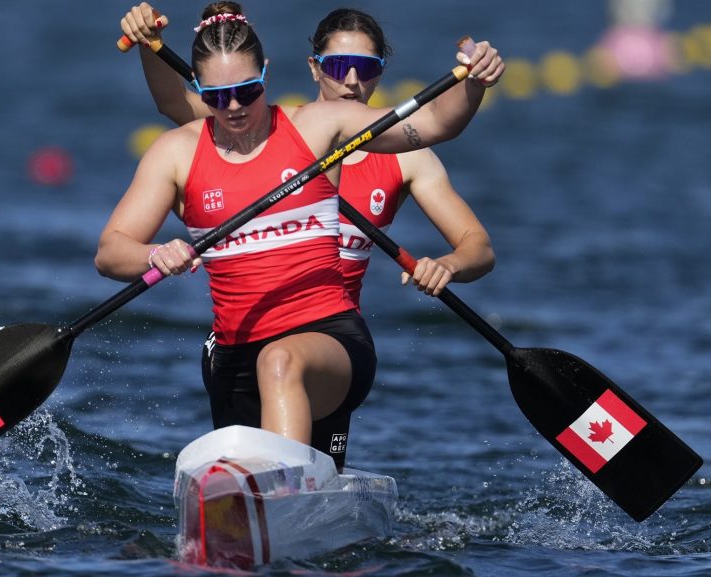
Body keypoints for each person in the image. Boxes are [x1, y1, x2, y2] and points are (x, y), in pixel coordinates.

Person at [98, 3, 495, 469]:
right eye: (216, 97)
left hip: (329, 337)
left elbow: (436, 124)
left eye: (247, 91)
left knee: (280, 362)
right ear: (201, 92)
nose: (233, 108)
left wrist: (474, 80)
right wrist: (154, 254)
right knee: (245, 472)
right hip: (235, 352)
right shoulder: (177, 151)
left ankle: (285, 495)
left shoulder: (320, 127)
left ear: (265, 74)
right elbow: (111, 252)